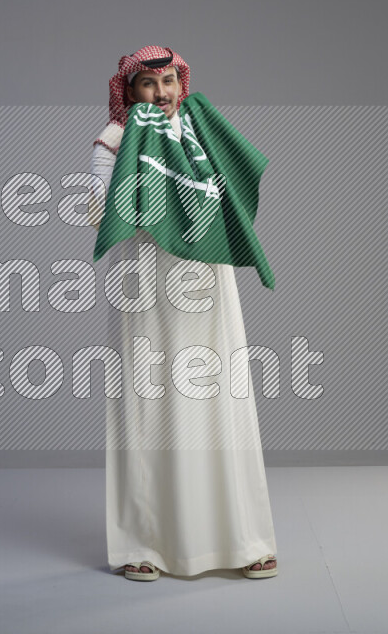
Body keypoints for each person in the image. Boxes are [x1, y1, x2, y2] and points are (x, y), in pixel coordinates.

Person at [88, 45, 278, 581]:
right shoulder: (113, 141)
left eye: (170, 81)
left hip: (205, 277)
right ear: (129, 93)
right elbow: (97, 209)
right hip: (145, 280)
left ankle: (244, 538)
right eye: (149, 84)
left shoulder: (198, 132)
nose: (163, 92)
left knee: (222, 398)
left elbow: (230, 191)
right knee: (148, 405)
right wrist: (124, 169)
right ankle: (142, 545)